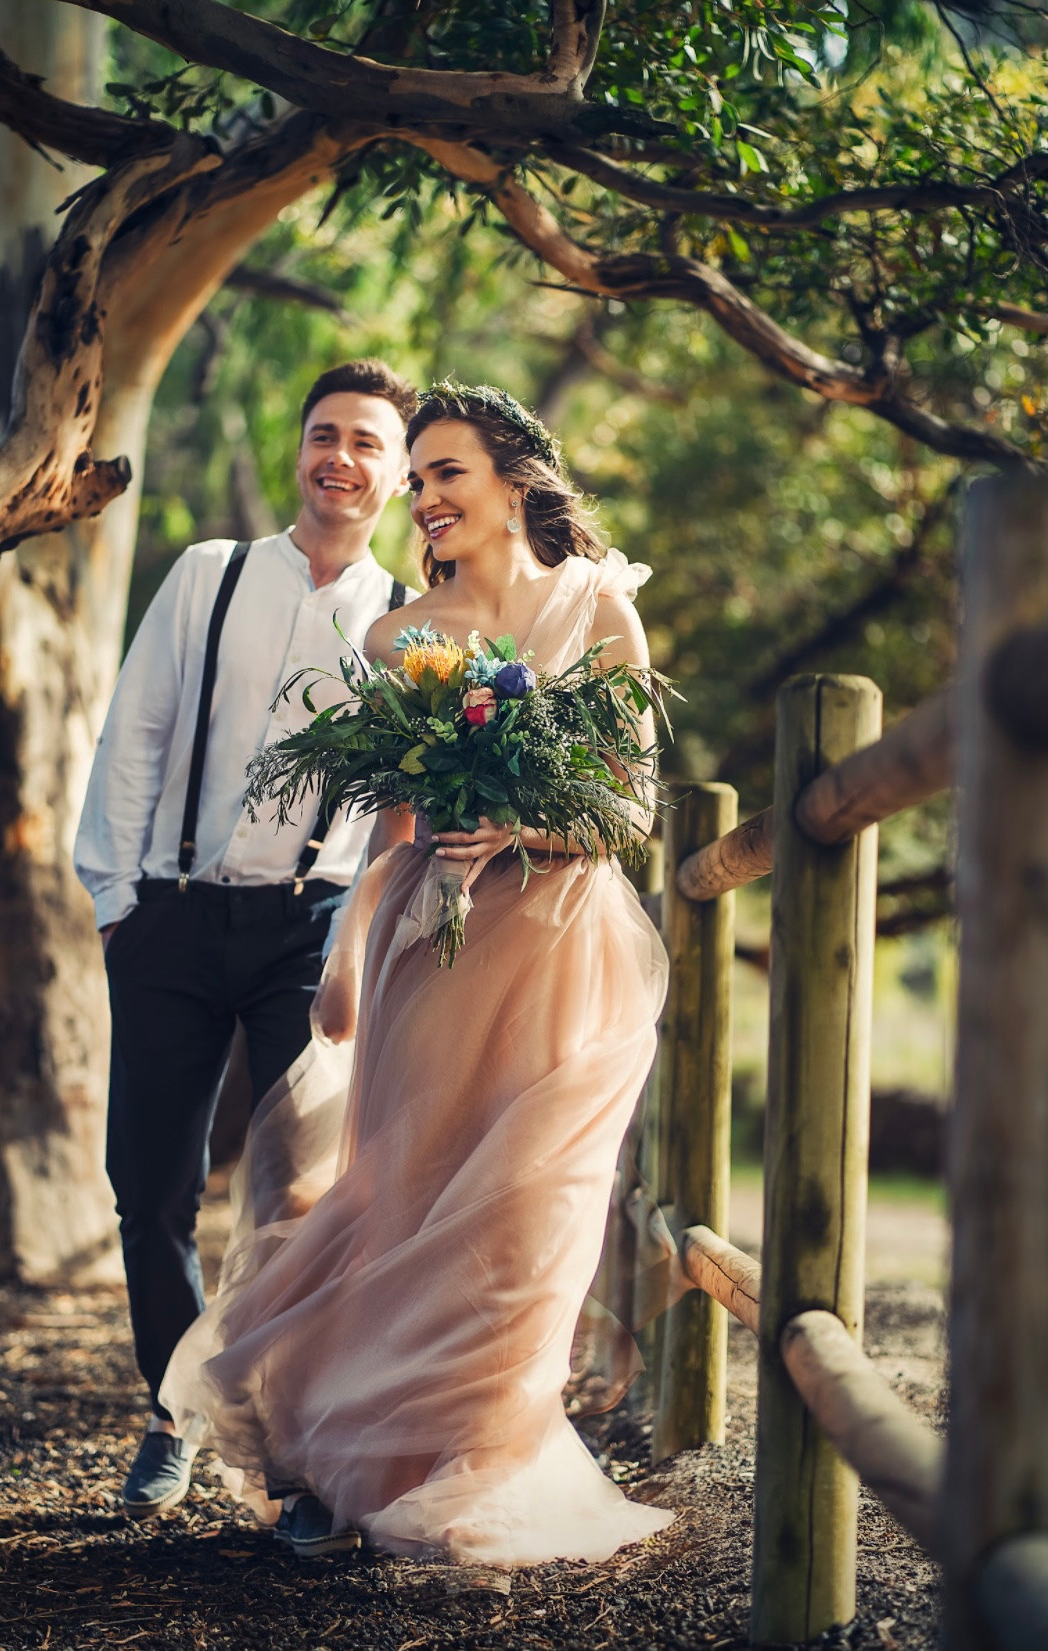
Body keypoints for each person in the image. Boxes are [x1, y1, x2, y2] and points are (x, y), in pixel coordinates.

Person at [161, 383, 678, 1568]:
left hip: (561, 943)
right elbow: (394, 816)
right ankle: (380, 1458)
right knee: (414, 1193)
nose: (428, 497)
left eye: (449, 473)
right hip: (431, 945)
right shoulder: (401, 638)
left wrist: (518, 832)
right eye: (423, 476)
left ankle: (487, 1462)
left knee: (527, 1206)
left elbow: (631, 804)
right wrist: (350, 959)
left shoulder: (601, 604)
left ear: (514, 481)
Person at [73, 358, 419, 1521]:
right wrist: (118, 901)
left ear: (400, 471)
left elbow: (402, 808)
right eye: (327, 433)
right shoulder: (208, 575)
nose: (343, 458)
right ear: (300, 448)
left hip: (306, 938)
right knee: (151, 1184)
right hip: (170, 914)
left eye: (370, 442)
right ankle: (173, 1411)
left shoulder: (409, 626)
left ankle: (296, 1449)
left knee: (296, 1201)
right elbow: (137, 729)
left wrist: (363, 950)